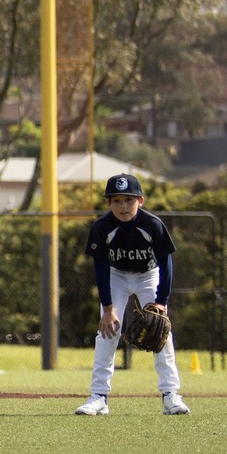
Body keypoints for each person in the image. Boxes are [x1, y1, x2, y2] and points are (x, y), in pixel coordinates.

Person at [75, 172, 190, 416]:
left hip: (148, 276)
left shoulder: (152, 225)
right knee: (107, 332)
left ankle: (171, 395)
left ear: (141, 200)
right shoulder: (102, 227)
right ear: (108, 204)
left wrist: (161, 302)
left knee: (161, 331)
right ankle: (99, 396)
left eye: (129, 200)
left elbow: (166, 264)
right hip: (115, 276)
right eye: (116, 200)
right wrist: (107, 309)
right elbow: (101, 268)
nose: (123, 206)